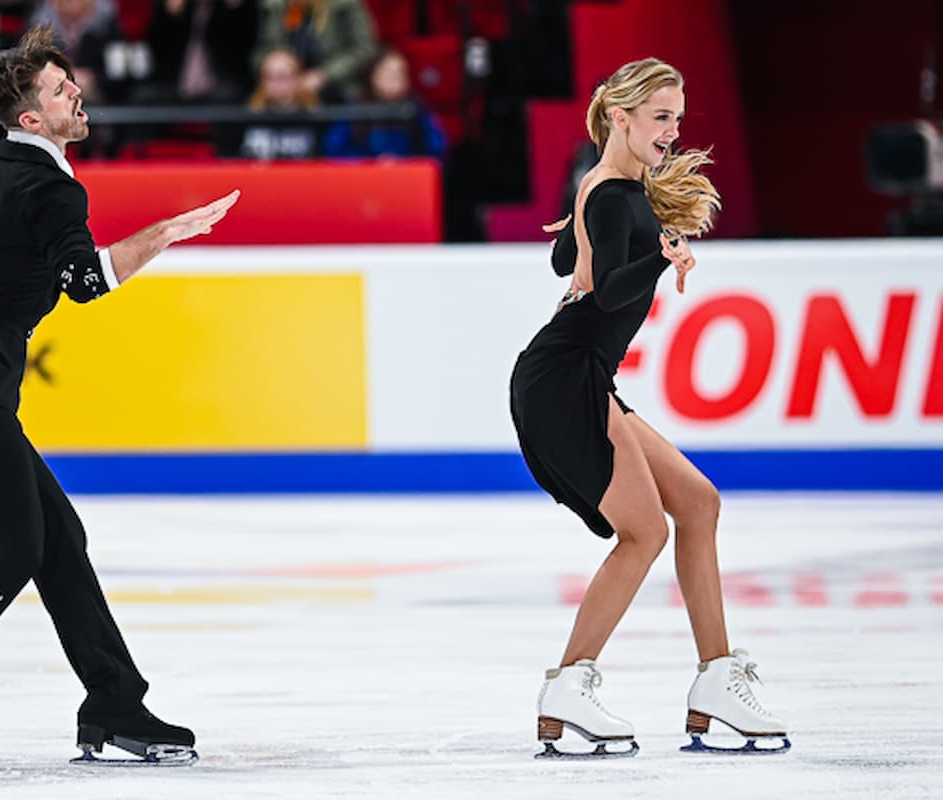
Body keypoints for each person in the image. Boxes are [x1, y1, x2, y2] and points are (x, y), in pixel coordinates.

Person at [0, 25, 239, 766]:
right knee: (13, 552)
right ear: (32, 119)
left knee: (57, 541)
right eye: (62, 91)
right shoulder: (52, 185)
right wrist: (164, 234)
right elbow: (85, 283)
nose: (76, 93)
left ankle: (115, 703)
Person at [508, 58, 789, 758]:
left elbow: (566, 267)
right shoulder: (612, 197)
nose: (671, 131)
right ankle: (567, 687)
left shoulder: (605, 187)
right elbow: (604, 291)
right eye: (660, 117)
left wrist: (628, 247)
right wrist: (662, 254)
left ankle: (715, 680)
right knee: (643, 533)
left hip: (578, 373)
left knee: (696, 503)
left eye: (676, 118)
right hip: (564, 376)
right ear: (620, 117)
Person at [319, 47, 446, 160]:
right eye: (388, 74)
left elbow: (436, 149)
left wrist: (405, 163)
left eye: (399, 74)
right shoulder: (356, 109)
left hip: (407, 177)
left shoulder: (415, 109)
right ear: (373, 77)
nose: (394, 79)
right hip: (365, 179)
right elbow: (333, 150)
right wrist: (368, 163)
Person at [252, 0, 375, 103]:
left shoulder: (344, 5)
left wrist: (324, 75)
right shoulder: (276, 6)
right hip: (283, 86)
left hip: (336, 88)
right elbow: (261, 50)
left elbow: (364, 49)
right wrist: (275, 69)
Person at [216, 46, 318, 160]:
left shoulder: (317, 118)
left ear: (298, 78)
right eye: (269, 77)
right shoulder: (246, 117)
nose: (276, 84)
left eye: (282, 76)